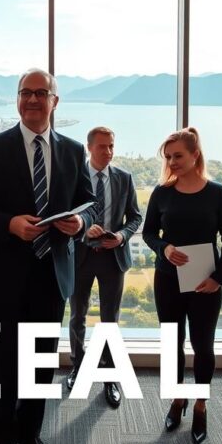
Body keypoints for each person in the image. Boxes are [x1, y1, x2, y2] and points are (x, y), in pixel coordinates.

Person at [0, 68, 96, 444]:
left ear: (55, 101)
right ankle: (3, 438)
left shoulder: (73, 150)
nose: (33, 99)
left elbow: (88, 204)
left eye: (41, 93)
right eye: (25, 92)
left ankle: (29, 434)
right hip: (2, 275)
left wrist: (80, 222)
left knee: (41, 361)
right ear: (17, 99)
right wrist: (9, 224)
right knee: (1, 362)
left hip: (51, 275)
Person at [142, 127, 222, 444]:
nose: (172, 162)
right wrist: (165, 248)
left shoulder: (217, 193)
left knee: (202, 346)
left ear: (195, 155)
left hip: (205, 282)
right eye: (168, 157)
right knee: (172, 344)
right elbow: (149, 234)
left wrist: (218, 277)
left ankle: (200, 405)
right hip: (167, 280)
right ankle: (177, 399)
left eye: (178, 156)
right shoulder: (162, 192)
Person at [65, 126, 142, 409]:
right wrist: (82, 230)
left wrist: (121, 236)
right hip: (81, 256)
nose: (108, 151)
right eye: (102, 146)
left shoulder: (124, 178)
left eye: (111, 146)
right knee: (78, 315)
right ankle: (78, 366)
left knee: (110, 319)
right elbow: (64, 217)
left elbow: (135, 217)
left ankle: (110, 376)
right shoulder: (74, 177)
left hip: (112, 257)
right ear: (89, 148)